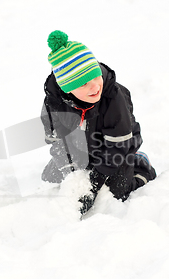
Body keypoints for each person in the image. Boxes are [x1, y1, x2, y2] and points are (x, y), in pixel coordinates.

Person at [40, 30, 156, 214]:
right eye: (83, 83)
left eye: (95, 76)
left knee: (117, 191)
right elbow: (57, 140)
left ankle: (139, 164)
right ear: (67, 89)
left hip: (115, 148)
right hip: (80, 149)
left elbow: (119, 144)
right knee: (50, 178)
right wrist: (73, 174)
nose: (95, 86)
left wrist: (93, 183)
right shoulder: (55, 104)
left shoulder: (113, 98)